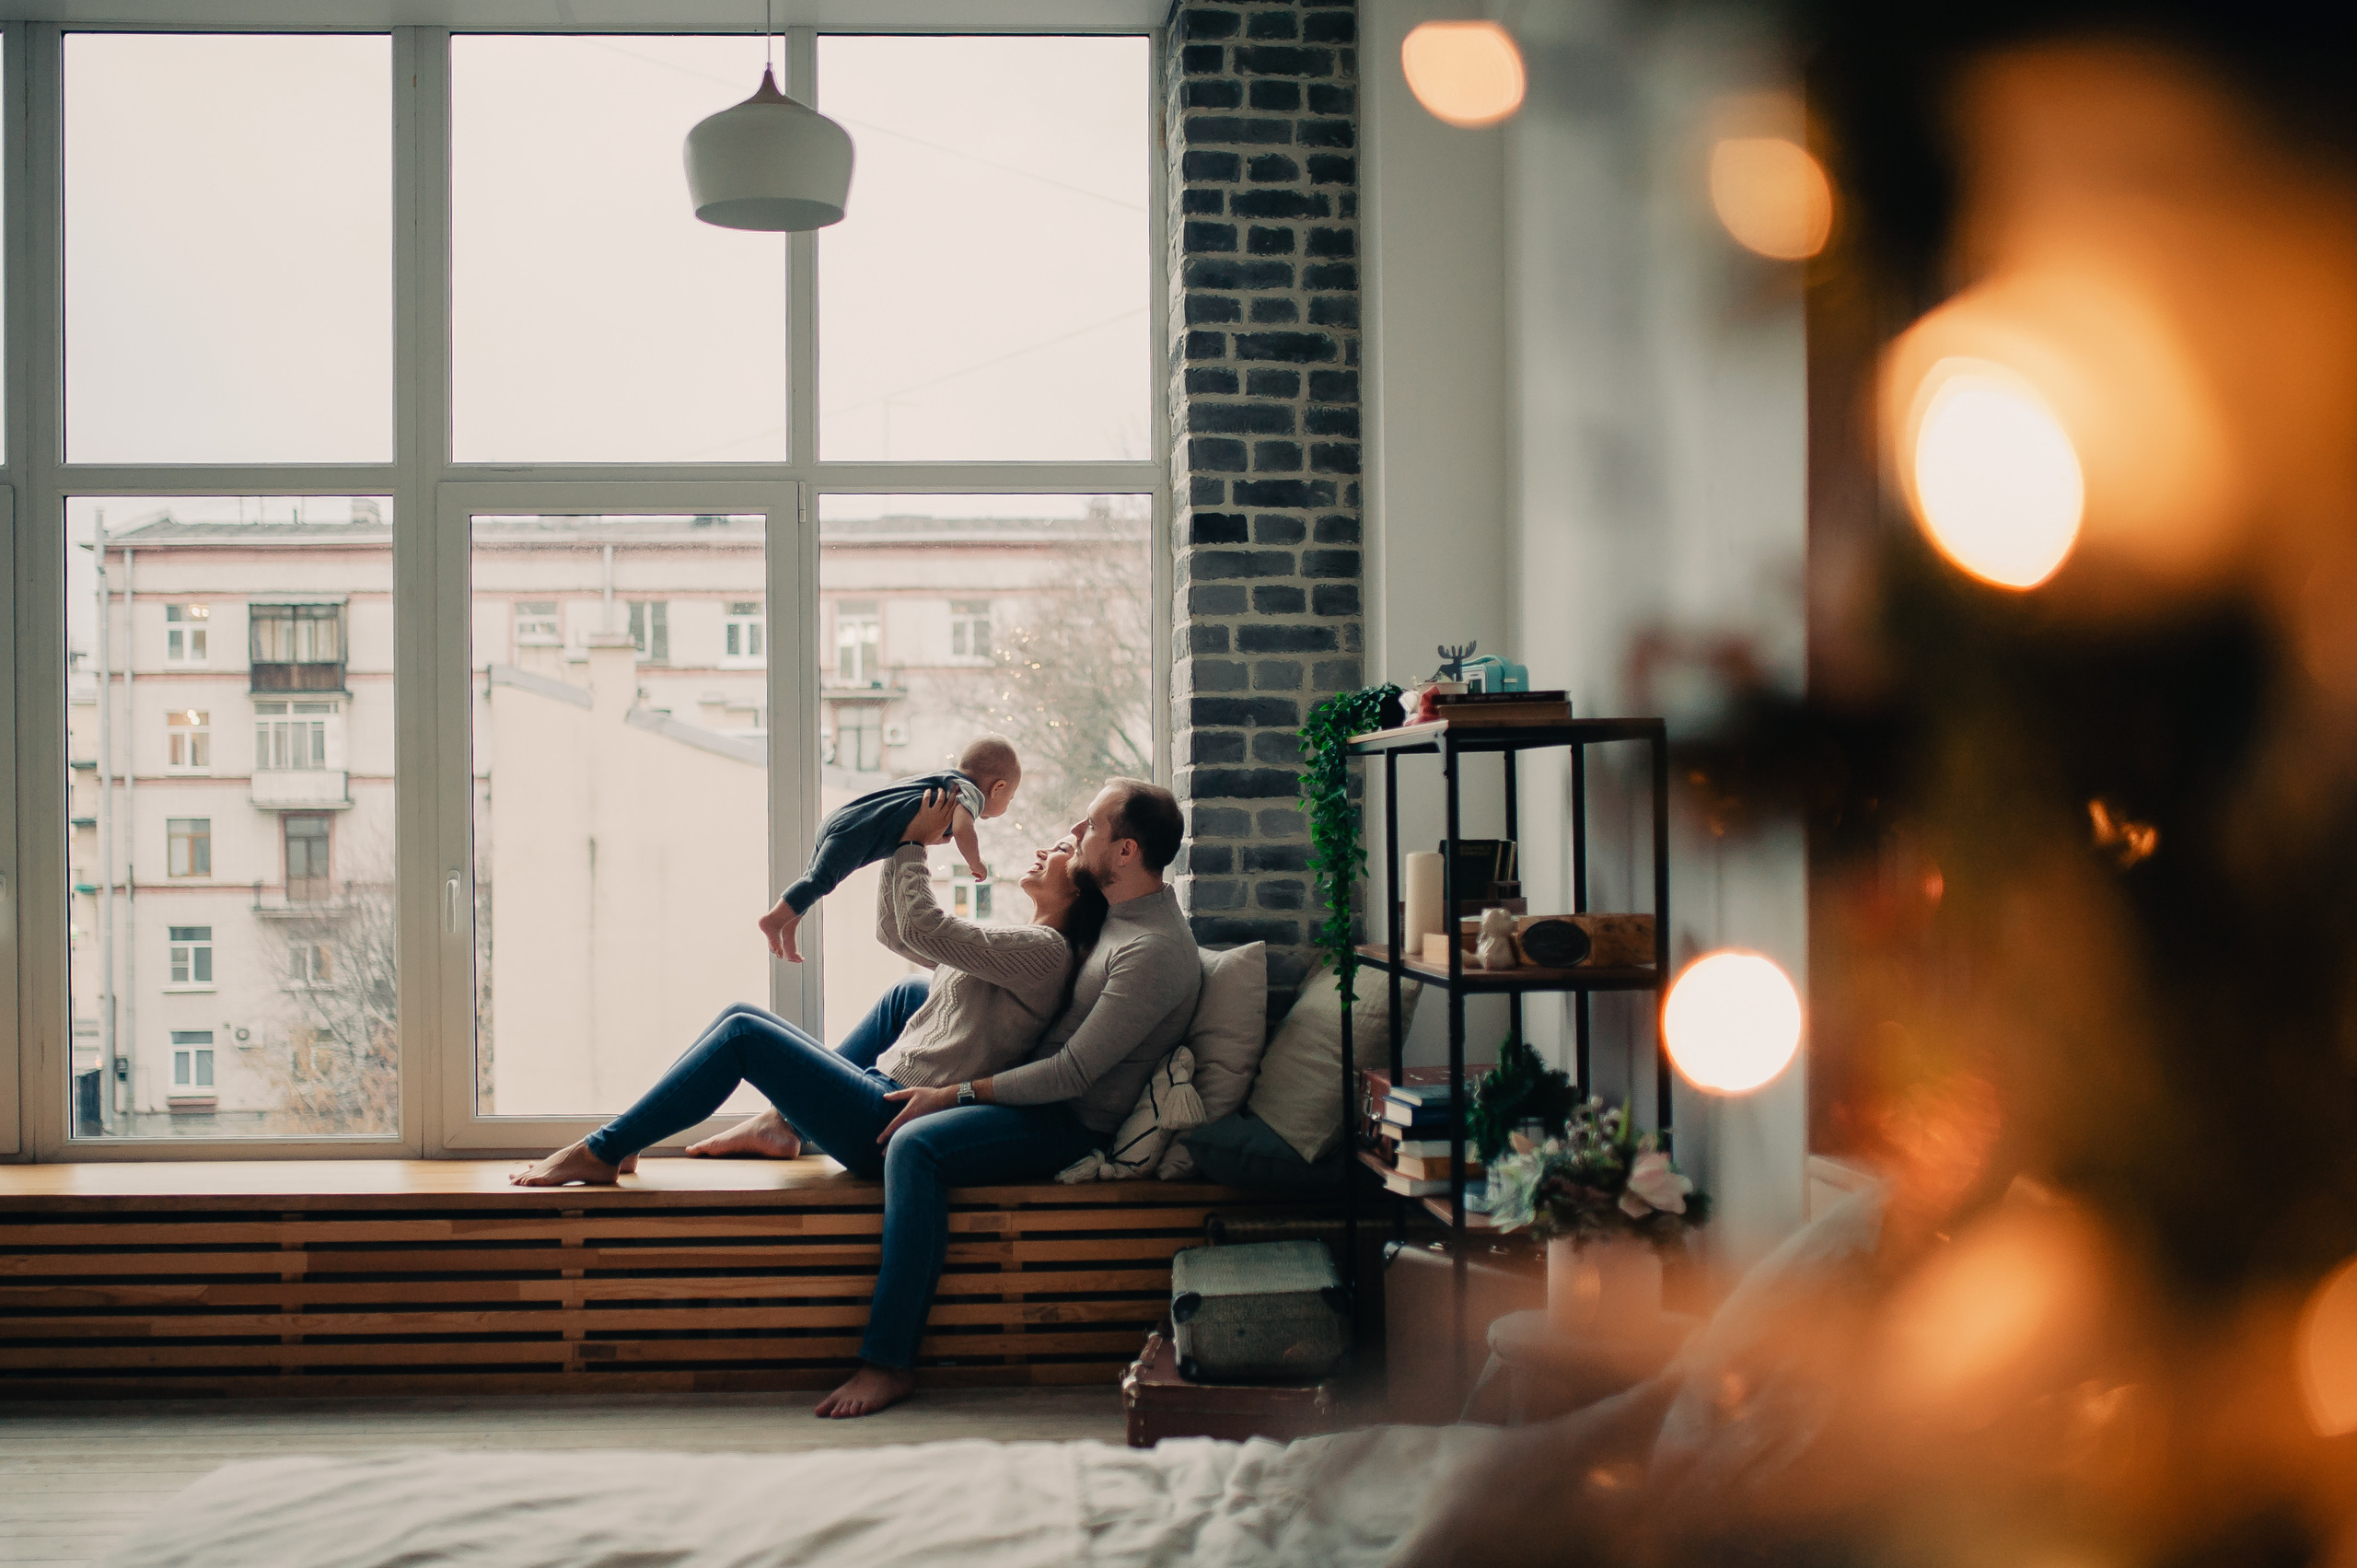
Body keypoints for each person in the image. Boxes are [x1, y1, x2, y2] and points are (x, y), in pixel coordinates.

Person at [681, 777, 1203, 1417]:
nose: (1074, 833)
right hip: (1032, 1087)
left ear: (1126, 851)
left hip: (1068, 1121)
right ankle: (785, 1120)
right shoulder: (1120, 914)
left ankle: (888, 1361)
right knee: (911, 995)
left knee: (915, 1147)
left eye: (1090, 825)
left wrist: (953, 1093)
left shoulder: (1152, 949)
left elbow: (1072, 1073)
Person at [756, 736, 1021, 963]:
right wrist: (976, 862)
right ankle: (773, 920)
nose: (1007, 804)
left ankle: (789, 926)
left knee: (811, 882)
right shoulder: (971, 793)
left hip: (841, 819)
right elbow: (964, 829)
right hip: (857, 833)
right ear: (998, 788)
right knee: (819, 882)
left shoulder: (943, 779)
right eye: (1009, 799)